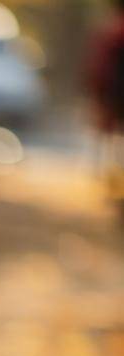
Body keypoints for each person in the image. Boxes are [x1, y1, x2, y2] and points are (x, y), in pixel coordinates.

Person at [81, 0, 124, 217]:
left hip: (115, 104)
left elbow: (98, 71)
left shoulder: (111, 33)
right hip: (115, 102)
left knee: (117, 152)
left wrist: (99, 101)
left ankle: (118, 195)